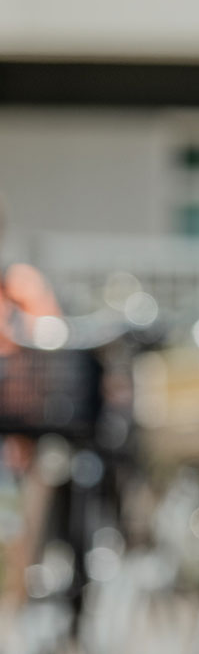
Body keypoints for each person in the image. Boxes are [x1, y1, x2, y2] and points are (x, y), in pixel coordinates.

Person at [0, 209, 63, 614]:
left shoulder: (19, 284)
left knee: (15, 524)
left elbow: (51, 338)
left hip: (17, 430)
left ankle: (13, 604)